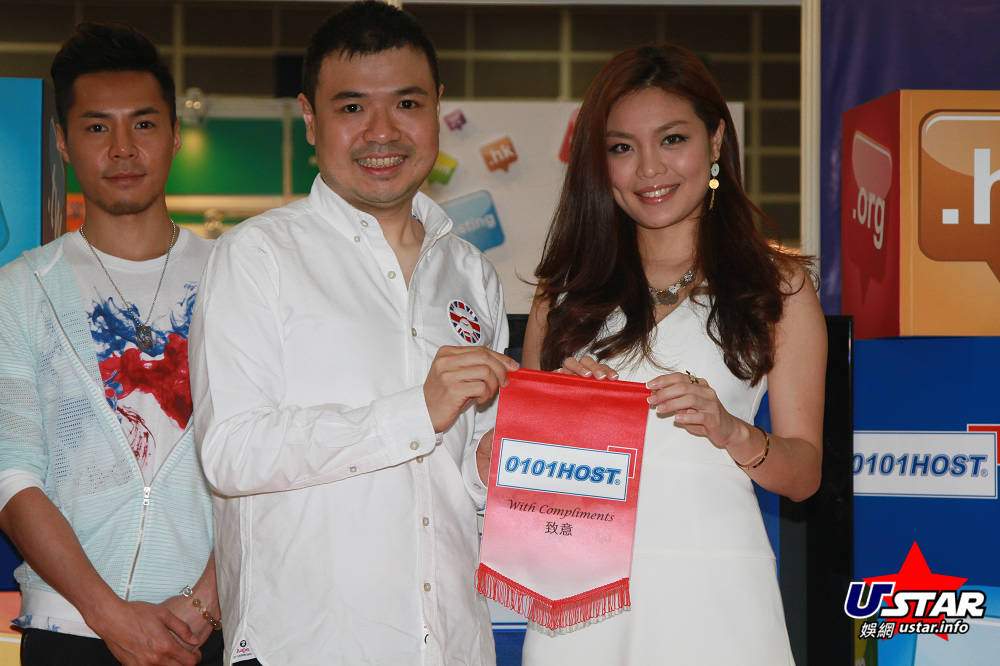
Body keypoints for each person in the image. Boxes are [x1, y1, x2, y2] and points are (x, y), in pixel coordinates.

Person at [189, 2, 515, 664]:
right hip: (309, 646)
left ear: (438, 107)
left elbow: (471, 478)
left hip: (453, 645)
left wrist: (512, 455)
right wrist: (415, 411)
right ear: (310, 118)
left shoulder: (470, 272)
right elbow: (232, 452)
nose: (382, 132)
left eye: (407, 104)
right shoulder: (258, 256)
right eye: (352, 107)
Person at [520, 44, 826, 665]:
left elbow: (804, 475)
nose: (649, 169)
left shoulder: (779, 286)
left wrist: (731, 430)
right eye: (622, 148)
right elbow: (520, 477)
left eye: (673, 139)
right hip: (579, 596)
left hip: (716, 594)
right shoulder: (565, 293)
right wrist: (562, 418)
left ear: (716, 140)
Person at [0, 23, 222, 666]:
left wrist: (207, 600)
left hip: (215, 624)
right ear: (63, 141)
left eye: (143, 124)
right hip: (70, 628)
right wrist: (107, 614)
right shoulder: (21, 290)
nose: (123, 149)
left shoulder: (237, 277)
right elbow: (13, 474)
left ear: (174, 134)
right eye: (97, 127)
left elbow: (267, 459)